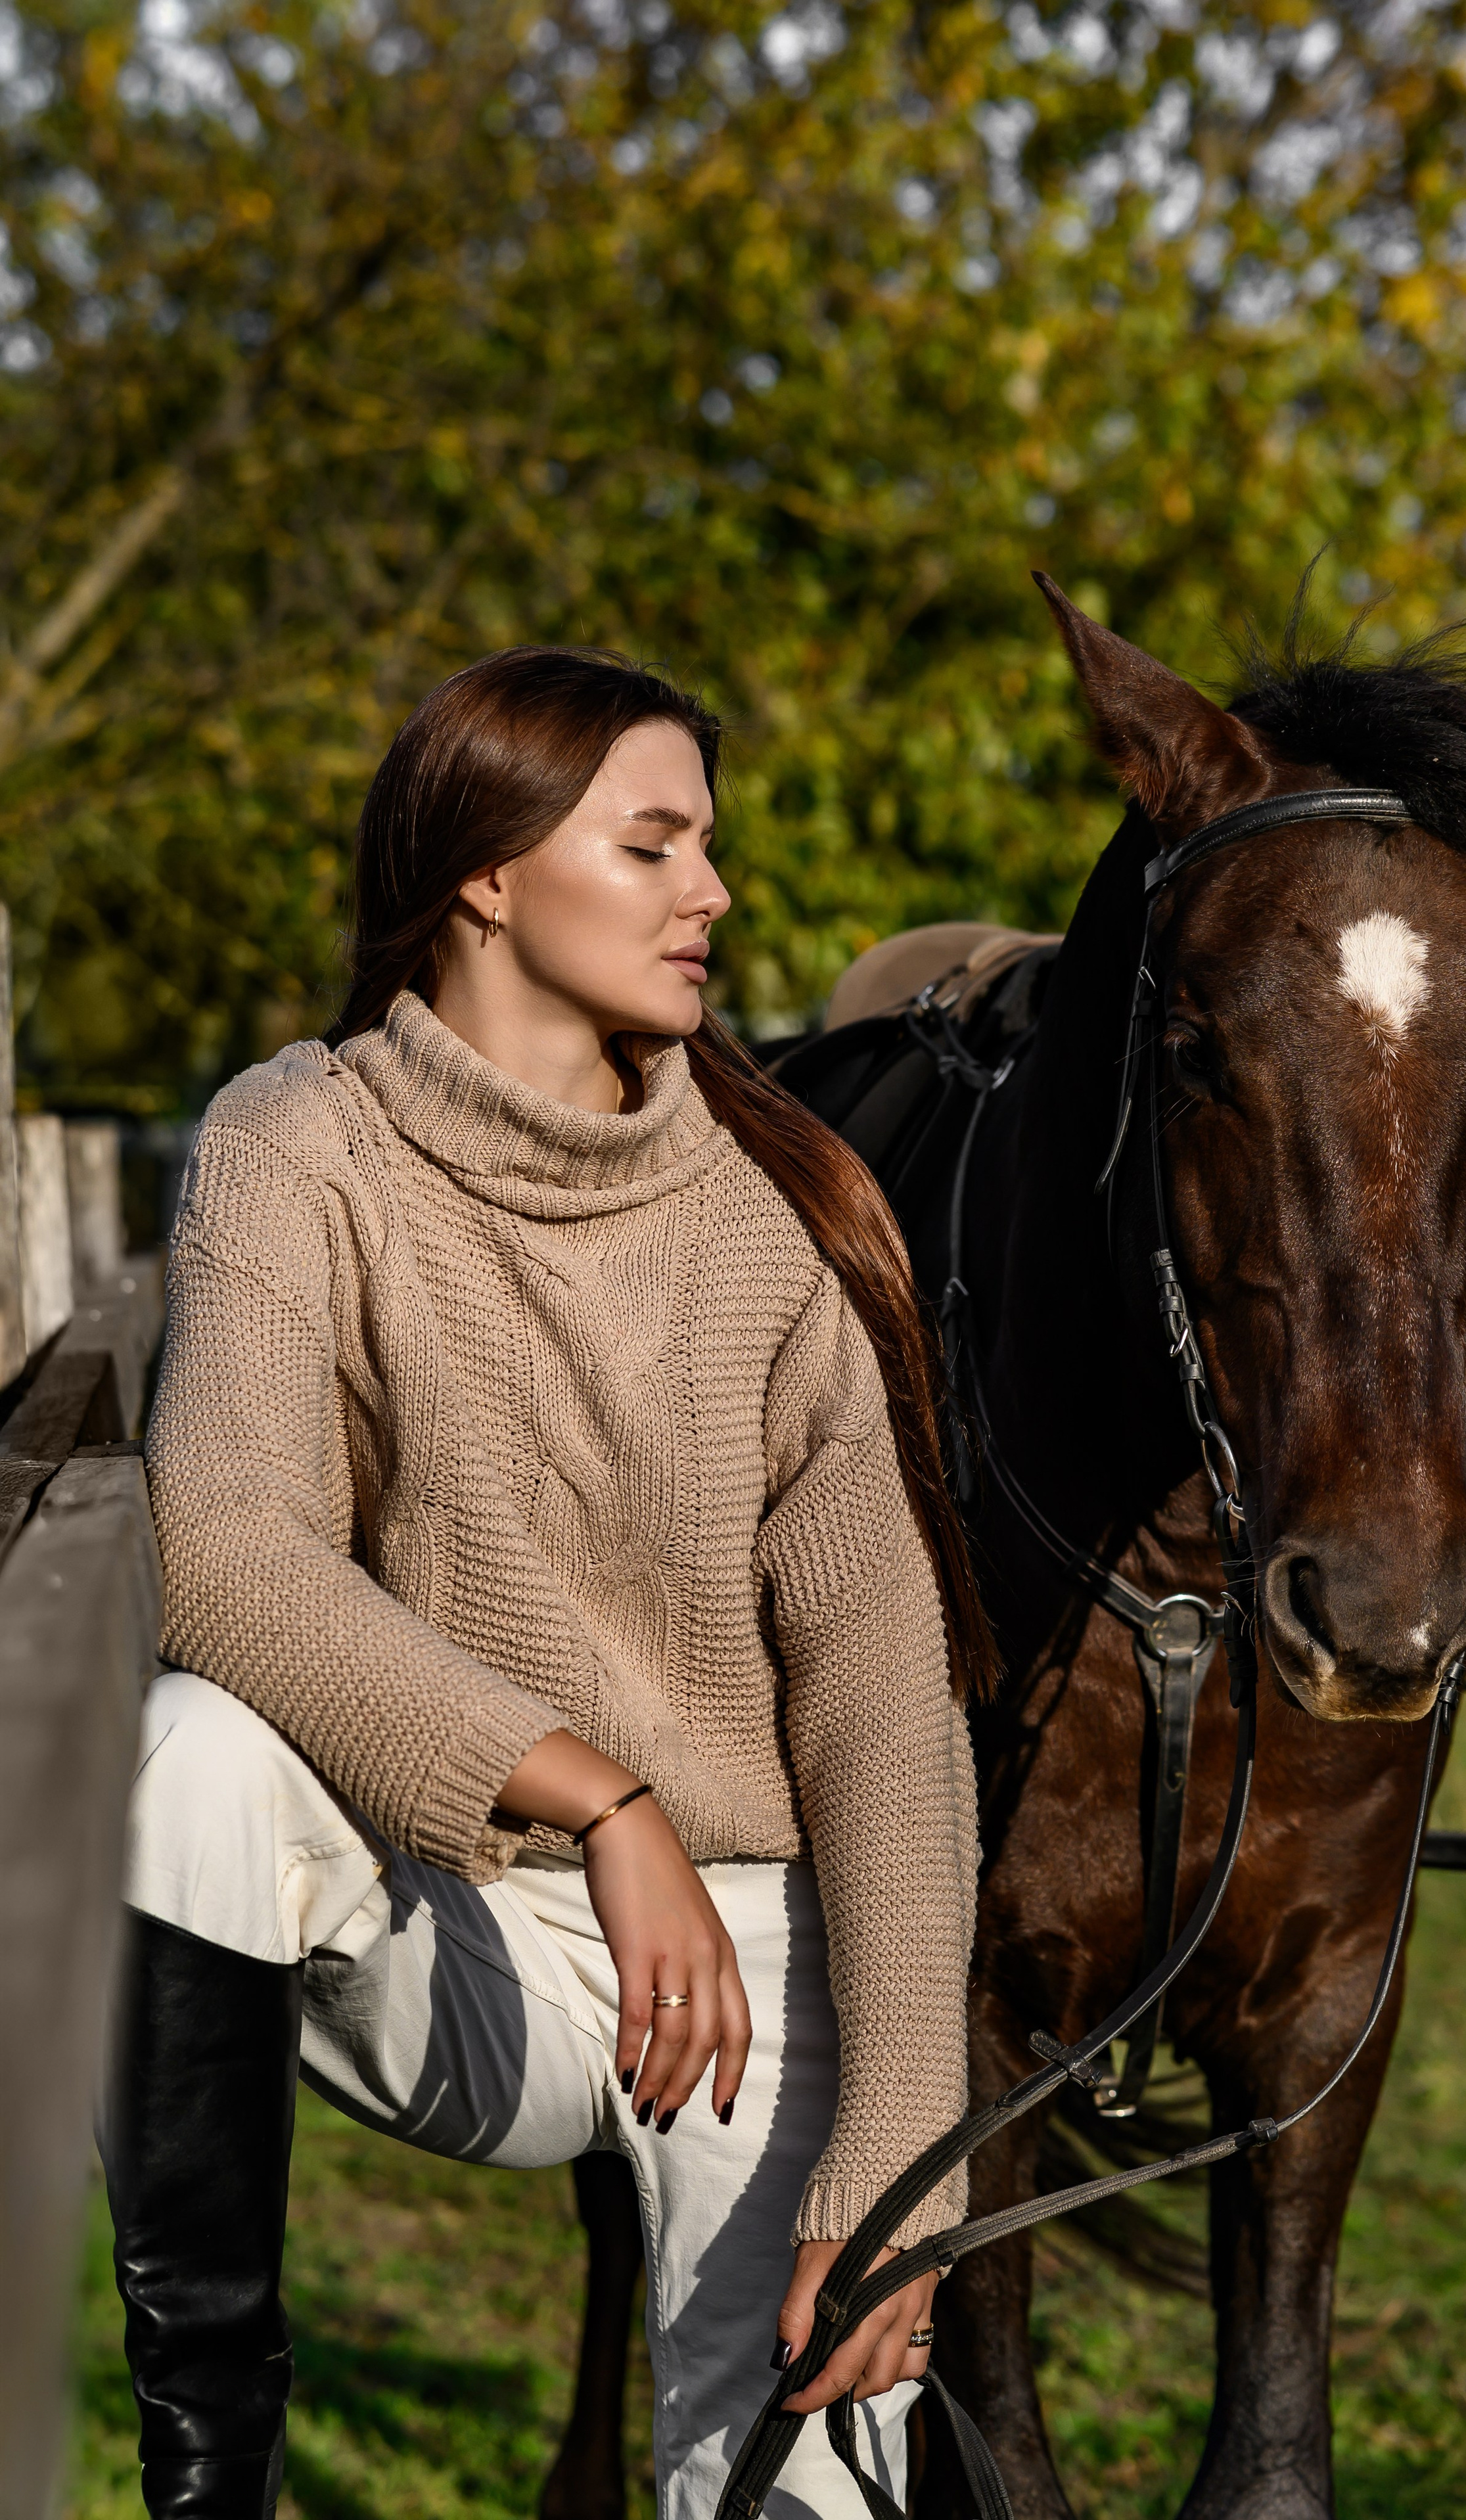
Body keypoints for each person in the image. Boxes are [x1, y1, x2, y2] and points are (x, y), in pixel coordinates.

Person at [106, 648, 991, 2520]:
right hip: (463, 1905)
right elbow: (222, 1543)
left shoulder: (781, 1215)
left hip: (756, 1960)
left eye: (709, 847)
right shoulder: (298, 1141)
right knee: (181, 1752)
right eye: (656, 841)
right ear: (488, 870)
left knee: (798, 2490)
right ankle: (213, 2485)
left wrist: (902, 2157)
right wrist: (602, 1792)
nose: (715, 895)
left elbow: (884, 1702)